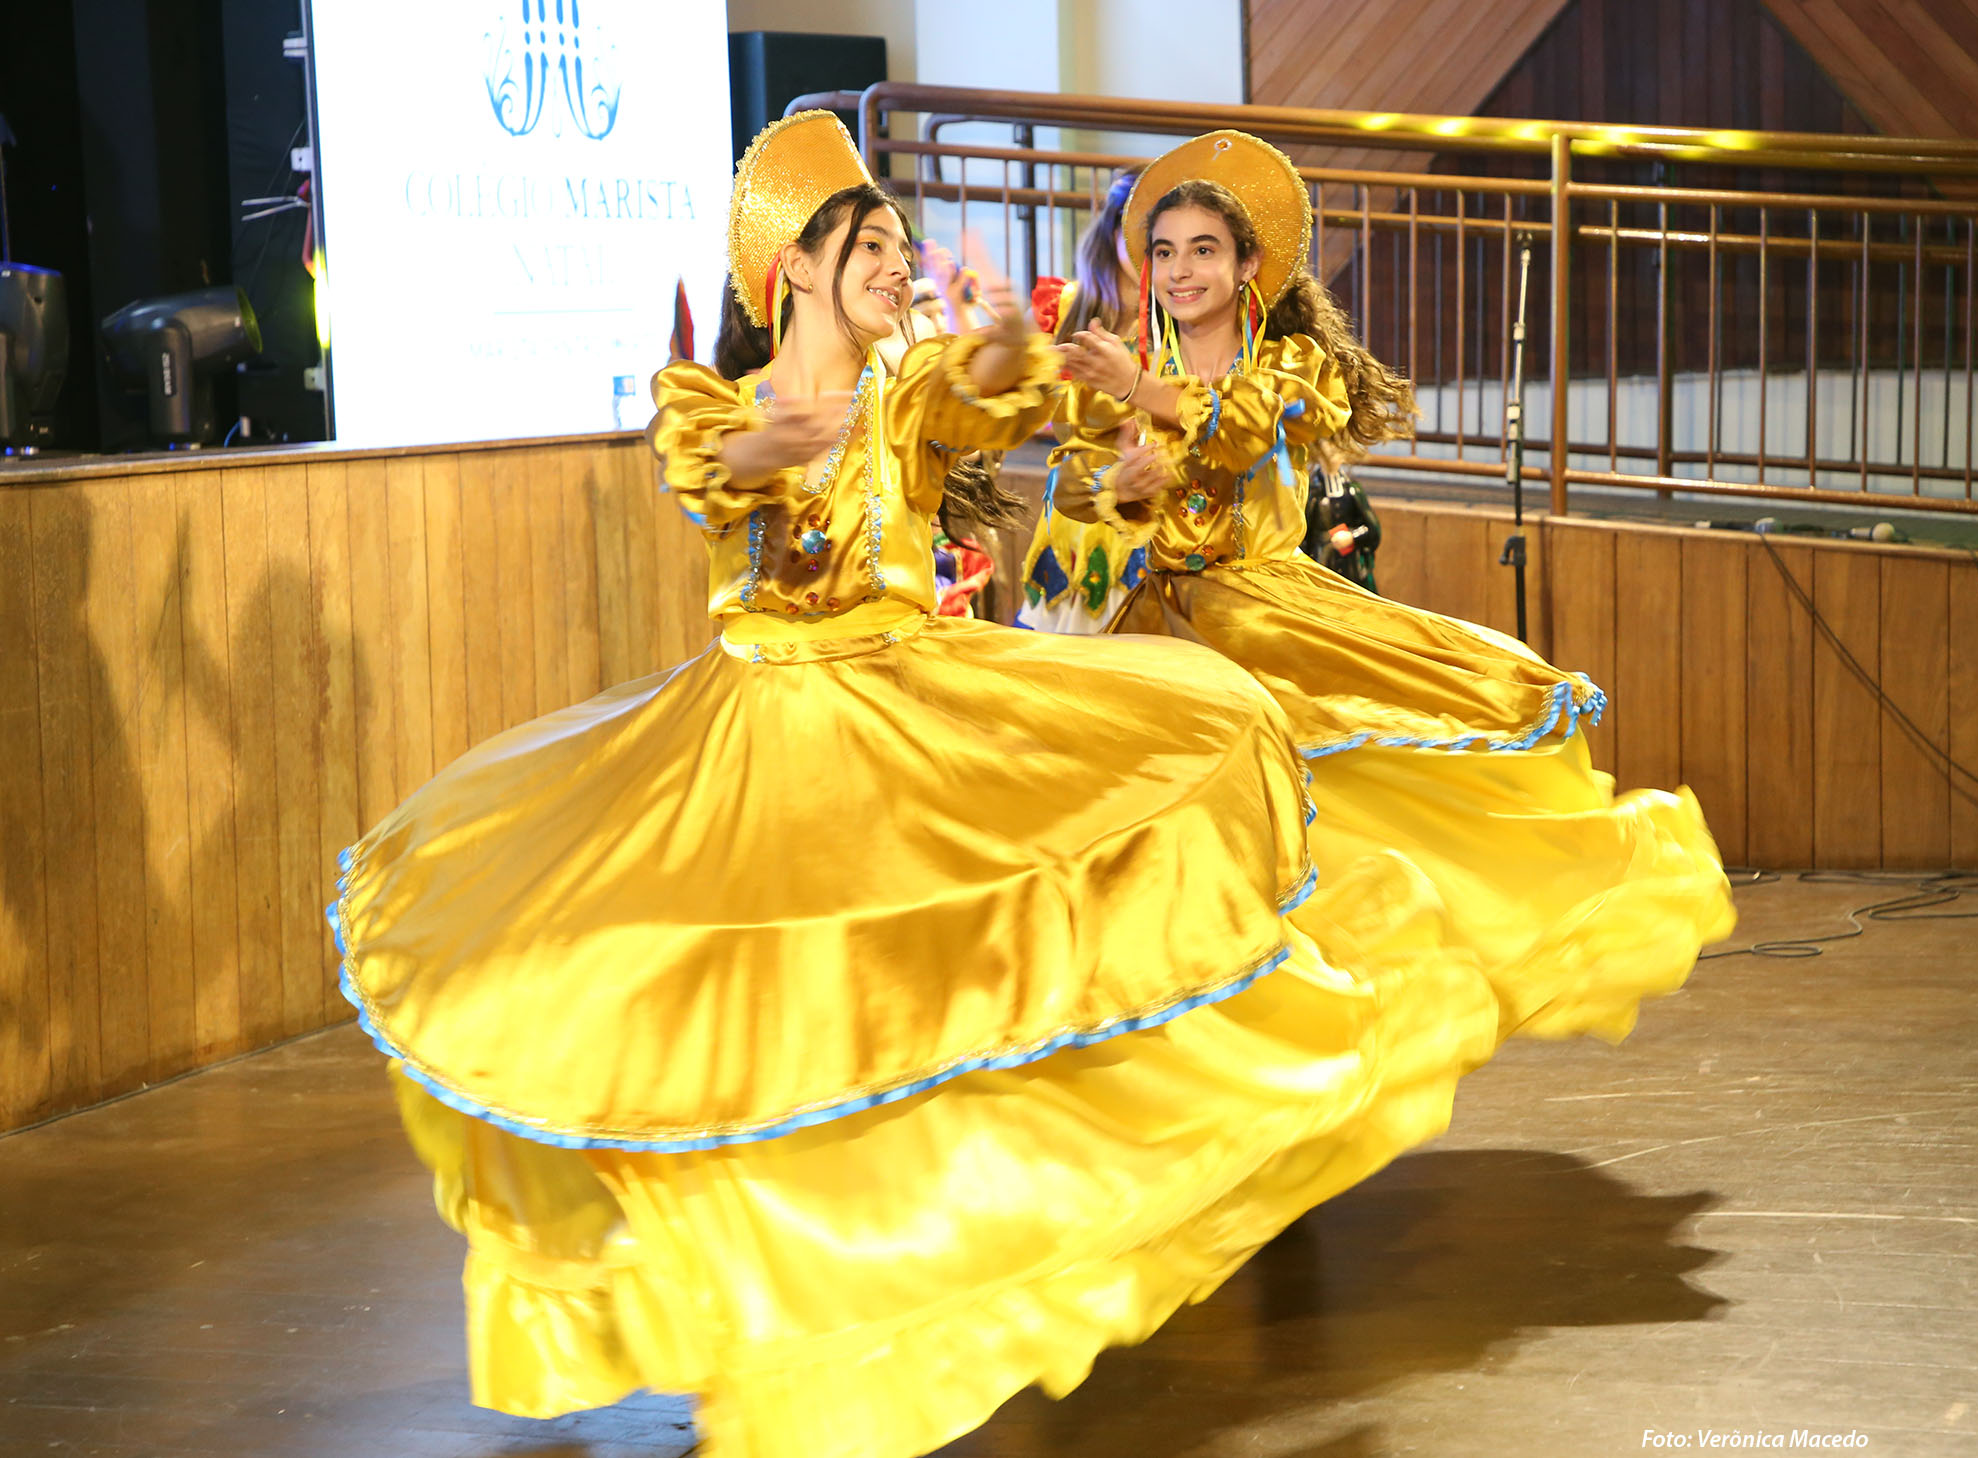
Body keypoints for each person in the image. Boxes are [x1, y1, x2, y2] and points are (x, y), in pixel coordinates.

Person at [329, 113, 1503, 1458]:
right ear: (795, 269)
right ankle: (756, 1298)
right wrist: (778, 446)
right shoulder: (711, 402)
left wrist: (1017, 348)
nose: (897, 265)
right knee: (737, 1012)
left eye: (900, 245)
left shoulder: (909, 389)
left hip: (904, 699)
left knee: (1184, 742)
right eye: (870, 247)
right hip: (755, 726)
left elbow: (1004, 389)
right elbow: (716, 476)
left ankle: (933, 1249)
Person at [1048, 129, 1734, 1043]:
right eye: (1165, 252)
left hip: (1267, 612)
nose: (1181, 271)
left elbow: (1242, 431)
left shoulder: (1290, 364)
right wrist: (1116, 487)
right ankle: (1209, 1010)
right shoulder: (1122, 377)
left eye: (1204, 250)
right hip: (1156, 625)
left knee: (1323, 803)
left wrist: (1139, 387)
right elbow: (1068, 488)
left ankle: (1351, 980)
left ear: (1248, 265)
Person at [1017, 169, 1152, 633]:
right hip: (1069, 521)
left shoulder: (1188, 318)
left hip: (1145, 520)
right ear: (1113, 230)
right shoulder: (1061, 307)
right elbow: (1006, 400)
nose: (1153, 252)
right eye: (1142, 233)